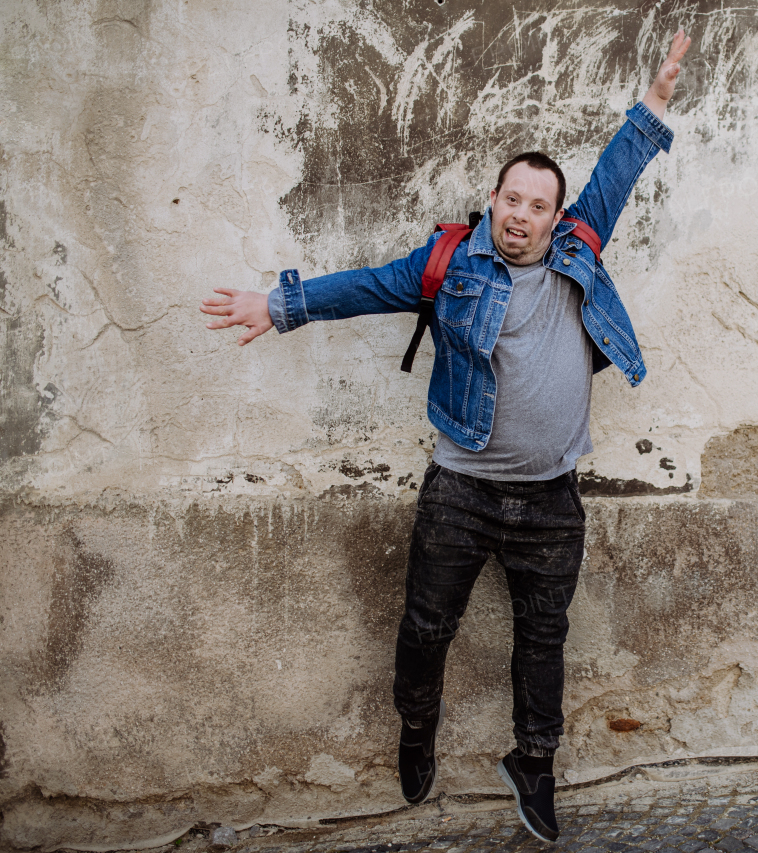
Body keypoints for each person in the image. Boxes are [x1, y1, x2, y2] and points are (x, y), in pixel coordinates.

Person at [200, 30, 693, 844]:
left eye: (539, 204)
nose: (522, 215)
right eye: (512, 199)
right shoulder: (451, 264)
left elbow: (618, 170)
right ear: (493, 200)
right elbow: (362, 286)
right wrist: (277, 305)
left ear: (554, 215)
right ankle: (417, 728)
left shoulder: (579, 245)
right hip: (460, 489)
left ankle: (534, 760)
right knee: (426, 627)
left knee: (544, 638)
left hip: (552, 498)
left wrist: (656, 102)